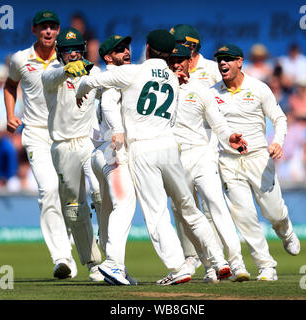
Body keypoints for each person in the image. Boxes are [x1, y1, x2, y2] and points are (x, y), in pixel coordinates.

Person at [76, 29, 238, 285]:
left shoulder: (133, 71)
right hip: (170, 148)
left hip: (142, 149)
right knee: (190, 210)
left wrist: (79, 92)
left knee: (157, 214)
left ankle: (178, 267)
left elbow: (92, 82)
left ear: (148, 48)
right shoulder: (175, 79)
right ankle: (219, 261)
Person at [212, 44, 301, 281]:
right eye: (219, 59)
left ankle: (286, 230)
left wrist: (278, 142)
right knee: (245, 217)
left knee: (273, 212)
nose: (223, 63)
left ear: (239, 62)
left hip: (259, 159)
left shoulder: (258, 88)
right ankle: (266, 267)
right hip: (229, 162)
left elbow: (279, 118)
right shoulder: (212, 93)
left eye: (228, 59)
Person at [3, 10, 79, 280]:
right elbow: (10, 85)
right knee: (47, 190)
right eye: (43, 28)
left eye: (53, 27)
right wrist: (11, 115)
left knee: (70, 195)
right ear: (34, 30)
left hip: (66, 135)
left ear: (59, 30)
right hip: (36, 133)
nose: (48, 32)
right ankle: (61, 258)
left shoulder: (69, 55)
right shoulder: (20, 59)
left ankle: (77, 248)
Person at [168, 44, 249, 283]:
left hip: (200, 155)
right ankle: (210, 266)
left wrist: (230, 137)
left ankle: (238, 264)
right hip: (174, 160)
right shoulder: (162, 91)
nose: (177, 66)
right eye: (172, 62)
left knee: (216, 206)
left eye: (181, 61)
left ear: (189, 62)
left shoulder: (201, 90)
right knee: (187, 217)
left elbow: (218, 124)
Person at [41, 27, 104, 281]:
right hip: (63, 146)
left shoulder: (95, 72)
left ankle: (112, 257)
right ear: (59, 53)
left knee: (101, 193)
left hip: (88, 142)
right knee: (74, 208)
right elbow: (53, 77)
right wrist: (67, 69)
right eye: (67, 51)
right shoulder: (50, 74)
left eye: (77, 49)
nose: (73, 54)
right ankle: (93, 264)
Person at [169, 23, 222, 275]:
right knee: (180, 202)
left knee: (211, 203)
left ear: (192, 45)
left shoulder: (212, 69)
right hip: (178, 140)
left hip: (208, 139)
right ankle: (192, 256)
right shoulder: (171, 67)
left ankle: (218, 259)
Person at [90, 35, 138, 285]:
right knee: (125, 205)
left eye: (127, 47)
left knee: (109, 212)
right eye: (120, 50)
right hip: (113, 154)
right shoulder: (114, 79)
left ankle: (111, 267)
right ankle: (113, 264)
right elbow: (109, 104)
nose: (126, 52)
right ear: (108, 57)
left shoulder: (110, 76)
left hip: (100, 153)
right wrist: (117, 130)